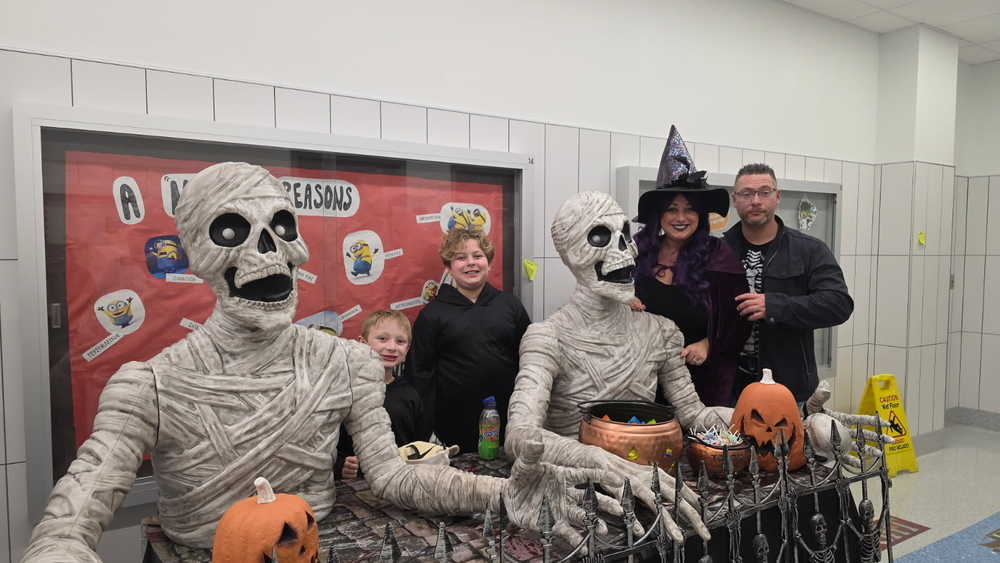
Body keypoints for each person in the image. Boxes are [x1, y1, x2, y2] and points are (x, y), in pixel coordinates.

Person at [630, 126, 750, 406]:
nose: (680, 217)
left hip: (701, 383)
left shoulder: (719, 256)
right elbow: (607, 304)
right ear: (658, 215)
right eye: (671, 208)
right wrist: (624, 301)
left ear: (701, 215)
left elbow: (740, 320)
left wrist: (709, 343)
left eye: (690, 209)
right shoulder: (637, 255)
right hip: (642, 380)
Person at [723, 163, 853, 404]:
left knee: (789, 443)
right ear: (734, 199)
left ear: (777, 196)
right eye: (746, 193)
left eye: (764, 192)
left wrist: (776, 306)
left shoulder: (809, 250)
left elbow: (839, 304)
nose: (755, 201)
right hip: (728, 390)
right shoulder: (719, 251)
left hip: (789, 390)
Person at [406, 227, 531, 453]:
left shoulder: (511, 306)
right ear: (449, 268)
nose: (470, 263)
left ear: (489, 263)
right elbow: (420, 375)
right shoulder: (432, 314)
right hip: (452, 423)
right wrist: (426, 428)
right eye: (460, 258)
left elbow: (530, 359)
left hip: (510, 417)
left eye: (477, 256)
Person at [335, 310, 423, 480]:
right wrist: (339, 466)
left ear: (408, 348)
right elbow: (324, 441)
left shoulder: (410, 394)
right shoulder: (344, 391)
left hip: (399, 482)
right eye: (382, 339)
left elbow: (417, 444)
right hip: (353, 484)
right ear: (362, 343)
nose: (391, 347)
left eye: (400, 341)